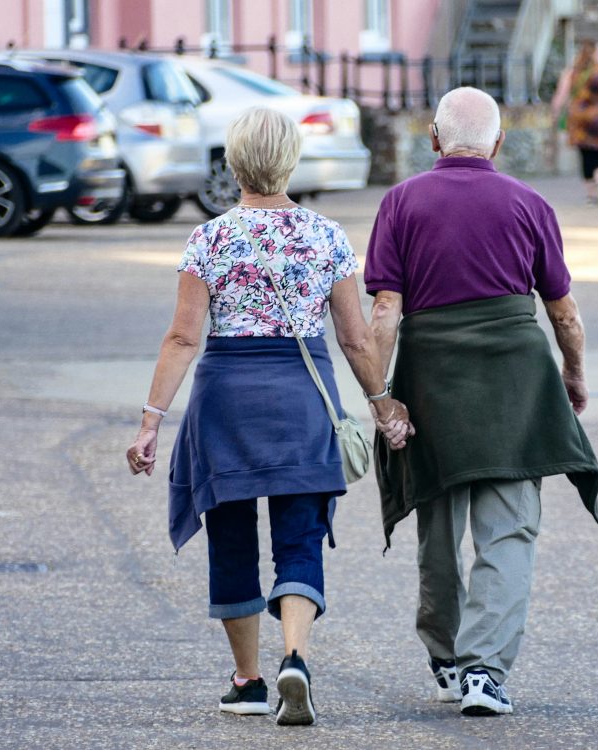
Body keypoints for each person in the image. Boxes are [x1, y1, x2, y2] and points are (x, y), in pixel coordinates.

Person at [125, 107, 412, 726]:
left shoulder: (210, 238)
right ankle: (297, 660)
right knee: (300, 540)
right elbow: (357, 340)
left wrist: (151, 420)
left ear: (233, 163)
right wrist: (383, 406)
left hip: (224, 405)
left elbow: (182, 339)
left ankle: (249, 681)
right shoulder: (328, 237)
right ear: (291, 162)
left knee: (231, 540)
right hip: (302, 402)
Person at [364, 86, 598, 717]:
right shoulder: (529, 202)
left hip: (431, 379)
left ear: (435, 140)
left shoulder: (402, 202)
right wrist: (572, 377)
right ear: (499, 142)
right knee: (509, 530)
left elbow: (385, 309)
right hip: (514, 384)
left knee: (436, 528)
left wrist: (381, 395)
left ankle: (446, 658)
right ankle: (484, 674)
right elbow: (564, 312)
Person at [551, 39, 598, 205]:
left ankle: (591, 194)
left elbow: (561, 96)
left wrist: (555, 113)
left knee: (586, 155)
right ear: (597, 53)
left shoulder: (571, 72)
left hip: (581, 120)